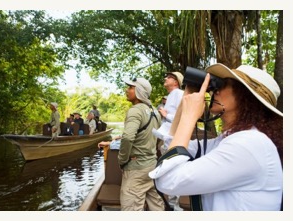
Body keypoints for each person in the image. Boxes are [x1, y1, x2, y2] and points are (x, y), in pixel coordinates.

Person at [149, 63, 283, 211]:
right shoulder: (227, 140)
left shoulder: (250, 144)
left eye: (224, 84)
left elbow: (168, 181)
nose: (216, 90)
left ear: (245, 96)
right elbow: (171, 149)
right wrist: (185, 101)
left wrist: (189, 117)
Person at [118, 77, 165, 211]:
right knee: (157, 207)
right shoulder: (155, 112)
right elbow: (160, 137)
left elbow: (127, 137)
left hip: (136, 169)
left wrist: (122, 160)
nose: (127, 90)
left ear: (139, 91)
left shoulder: (135, 110)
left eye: (131, 87)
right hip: (152, 166)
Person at [154, 71, 184, 155]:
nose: (165, 78)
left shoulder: (179, 93)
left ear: (176, 82)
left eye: (169, 77)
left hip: (175, 139)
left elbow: (183, 117)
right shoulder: (171, 95)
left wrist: (166, 115)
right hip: (167, 137)